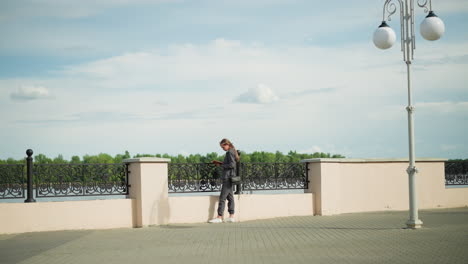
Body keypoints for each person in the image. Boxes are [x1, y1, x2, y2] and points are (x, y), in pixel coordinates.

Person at [208, 138, 240, 223]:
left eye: (223, 147)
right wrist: (221, 163)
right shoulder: (233, 151)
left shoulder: (229, 152)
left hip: (228, 177)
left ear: (227, 144)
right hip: (230, 177)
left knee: (222, 198)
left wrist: (222, 165)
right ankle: (231, 216)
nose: (223, 149)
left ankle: (219, 217)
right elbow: (231, 163)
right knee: (230, 197)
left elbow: (232, 165)